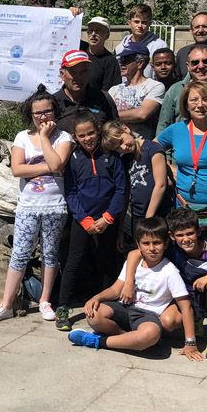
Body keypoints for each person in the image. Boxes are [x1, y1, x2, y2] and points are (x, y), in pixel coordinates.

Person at [0, 87, 74, 323]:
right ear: (30, 115)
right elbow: (17, 169)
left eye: (47, 111)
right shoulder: (21, 137)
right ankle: (6, 303)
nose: (43, 117)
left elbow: (58, 163)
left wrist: (44, 139)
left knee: (50, 253)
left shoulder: (64, 138)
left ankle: (45, 300)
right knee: (20, 253)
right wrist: (49, 166)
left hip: (54, 205)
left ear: (55, 111)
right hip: (28, 206)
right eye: (38, 113)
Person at [68, 217, 203, 361]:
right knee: (94, 315)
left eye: (157, 243)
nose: (151, 248)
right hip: (126, 308)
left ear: (166, 244)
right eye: (146, 243)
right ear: (138, 245)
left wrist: (190, 342)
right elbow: (115, 289)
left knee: (150, 333)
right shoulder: (134, 262)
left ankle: (97, 341)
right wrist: (96, 298)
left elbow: (185, 306)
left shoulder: (170, 271)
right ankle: (129, 339)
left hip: (148, 315)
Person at [120, 208, 207, 360]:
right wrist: (128, 283)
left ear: (198, 231)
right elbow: (134, 254)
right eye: (180, 235)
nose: (185, 239)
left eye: (189, 233)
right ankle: (193, 323)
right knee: (167, 322)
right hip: (185, 298)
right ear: (171, 237)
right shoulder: (170, 248)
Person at [55, 112, 126, 332]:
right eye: (82, 135)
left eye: (91, 133)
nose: (88, 138)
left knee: (107, 263)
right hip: (83, 220)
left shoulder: (111, 155)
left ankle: (107, 306)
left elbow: (122, 190)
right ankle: (63, 308)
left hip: (107, 220)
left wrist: (108, 218)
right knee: (73, 262)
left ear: (98, 130)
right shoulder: (74, 159)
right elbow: (71, 192)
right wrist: (84, 219)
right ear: (75, 137)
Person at [156, 81, 207, 234]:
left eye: (206, 99)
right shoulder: (176, 130)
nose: (200, 105)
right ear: (186, 105)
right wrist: (167, 168)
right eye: (194, 100)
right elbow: (151, 149)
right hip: (183, 209)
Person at [101, 121, 171, 249]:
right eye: (117, 148)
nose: (123, 148)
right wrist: (122, 228)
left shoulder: (153, 149)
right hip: (137, 217)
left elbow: (160, 185)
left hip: (156, 215)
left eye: (122, 141)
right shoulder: (126, 159)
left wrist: (149, 218)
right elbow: (126, 193)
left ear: (126, 129)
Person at [156, 44, 207, 134]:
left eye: (206, 61)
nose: (201, 66)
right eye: (195, 62)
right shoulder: (175, 90)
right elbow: (163, 126)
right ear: (188, 66)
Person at [53, 49, 118, 135]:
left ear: (89, 73)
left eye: (83, 71)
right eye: (73, 72)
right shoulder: (53, 103)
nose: (79, 77)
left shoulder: (103, 98)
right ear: (62, 74)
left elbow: (115, 130)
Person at [109, 43, 165, 141]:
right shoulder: (114, 89)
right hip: (116, 146)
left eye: (125, 60)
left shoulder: (155, 86)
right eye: (119, 60)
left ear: (140, 63)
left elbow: (141, 114)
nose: (121, 63)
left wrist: (111, 115)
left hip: (141, 147)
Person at [114, 3, 168, 78]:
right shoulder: (120, 48)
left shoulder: (159, 46)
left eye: (144, 22)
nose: (140, 26)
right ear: (129, 23)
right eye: (136, 22)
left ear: (150, 24)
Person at [84, 16, 122, 94]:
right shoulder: (79, 49)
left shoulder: (110, 61)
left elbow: (109, 92)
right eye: (91, 31)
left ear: (107, 35)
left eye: (98, 31)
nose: (93, 34)